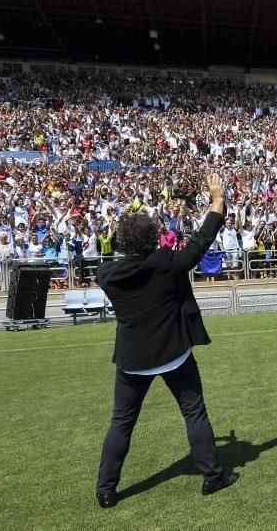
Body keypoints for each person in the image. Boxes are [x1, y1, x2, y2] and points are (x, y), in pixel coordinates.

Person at [95, 173, 238, 509]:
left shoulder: (107, 275)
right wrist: (217, 201)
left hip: (132, 359)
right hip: (174, 354)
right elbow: (200, 242)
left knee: (121, 423)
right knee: (194, 413)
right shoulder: (167, 264)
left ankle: (106, 490)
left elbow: (128, 264)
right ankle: (212, 477)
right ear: (154, 241)